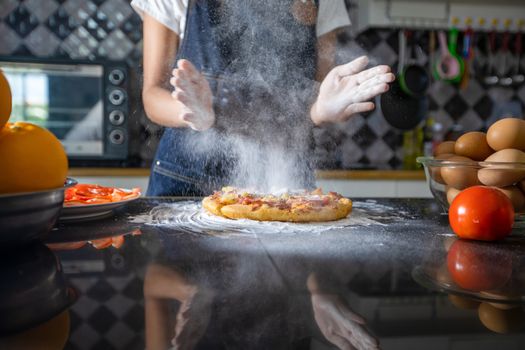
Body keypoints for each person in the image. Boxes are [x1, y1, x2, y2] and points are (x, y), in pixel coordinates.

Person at [131, 0, 395, 196]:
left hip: (284, 185)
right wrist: (191, 114)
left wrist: (321, 110)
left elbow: (317, 93)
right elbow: (153, 94)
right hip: (185, 180)